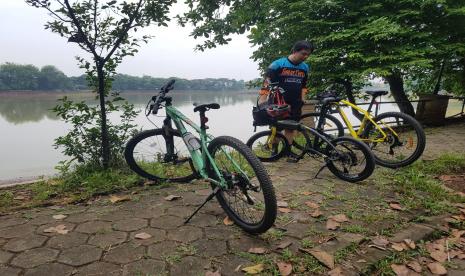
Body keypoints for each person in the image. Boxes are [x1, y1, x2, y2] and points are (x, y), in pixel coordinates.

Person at [259, 40, 314, 161]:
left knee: (291, 127)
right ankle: (274, 151)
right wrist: (262, 100)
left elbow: (304, 85)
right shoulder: (277, 65)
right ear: (295, 51)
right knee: (277, 127)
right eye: (303, 54)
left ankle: (288, 151)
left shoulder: (305, 67)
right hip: (278, 102)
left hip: (295, 101)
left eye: (308, 55)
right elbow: (266, 83)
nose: (306, 57)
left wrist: (303, 97)